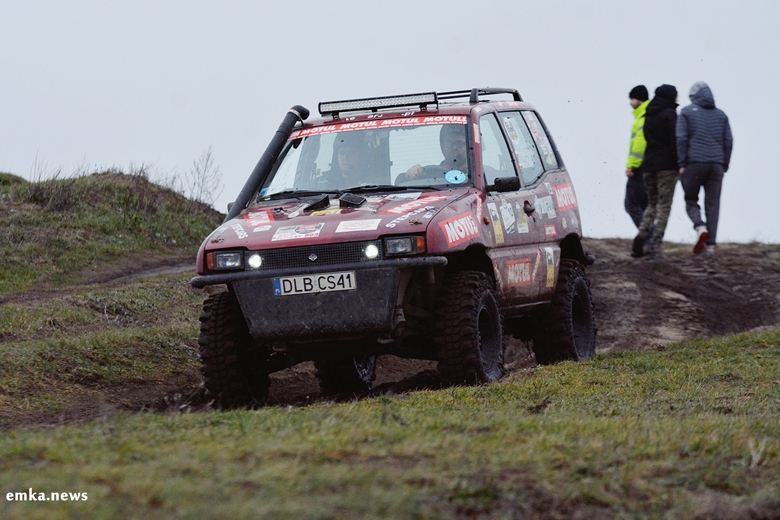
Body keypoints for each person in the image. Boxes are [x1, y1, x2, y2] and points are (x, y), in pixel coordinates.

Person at [677, 82, 733, 255]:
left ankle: (700, 226)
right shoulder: (721, 115)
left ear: (693, 97)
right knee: (713, 204)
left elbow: (681, 138)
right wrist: (724, 164)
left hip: (694, 163)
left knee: (691, 199)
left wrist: (681, 163)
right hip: (716, 165)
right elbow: (729, 141)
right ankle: (710, 246)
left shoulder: (686, 112)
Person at [632, 84, 679, 259]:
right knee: (664, 205)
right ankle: (655, 245)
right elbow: (674, 141)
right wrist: (679, 162)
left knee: (651, 204)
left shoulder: (647, 115)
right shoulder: (670, 115)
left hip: (648, 166)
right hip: (666, 167)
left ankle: (642, 234)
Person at [400, 124, 468, 182]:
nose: (454, 148)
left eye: (459, 143)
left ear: (468, 145)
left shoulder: (475, 176)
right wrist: (410, 174)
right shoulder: (429, 175)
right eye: (448, 143)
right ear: (442, 145)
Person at [625, 86, 650, 230]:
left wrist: (632, 165)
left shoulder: (642, 118)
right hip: (649, 168)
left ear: (639, 99)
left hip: (639, 168)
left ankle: (647, 236)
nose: (630, 102)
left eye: (632, 99)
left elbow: (640, 145)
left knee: (631, 204)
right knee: (644, 205)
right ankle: (648, 237)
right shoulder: (647, 115)